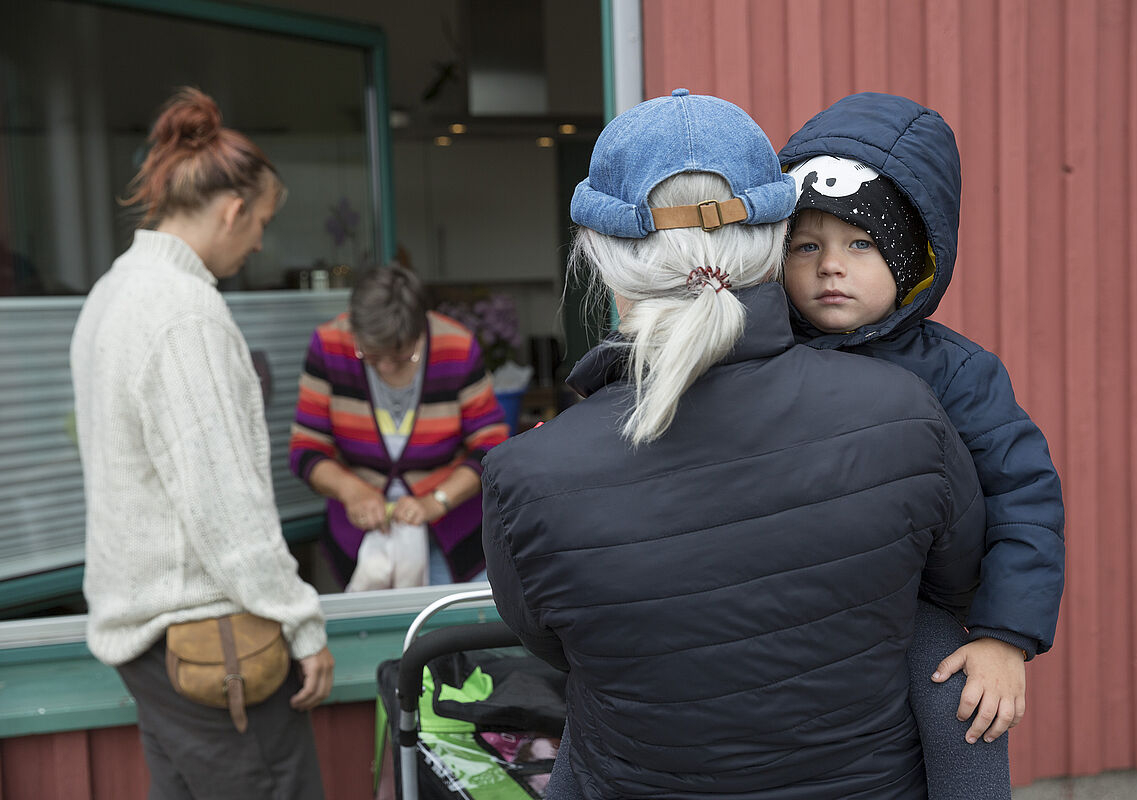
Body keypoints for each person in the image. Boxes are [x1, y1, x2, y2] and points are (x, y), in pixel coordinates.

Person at [482, 88, 988, 800]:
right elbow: (957, 584)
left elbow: (555, 643)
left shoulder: (524, 475)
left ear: (602, 259)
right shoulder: (905, 411)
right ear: (778, 238)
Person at [778, 91, 1066, 797]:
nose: (830, 267)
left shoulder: (956, 371)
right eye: (806, 245)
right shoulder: (762, 355)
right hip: (786, 602)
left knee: (960, 708)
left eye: (861, 244)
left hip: (914, 605)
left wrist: (1004, 636)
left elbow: (1024, 496)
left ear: (913, 260)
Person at [70, 87, 333, 799]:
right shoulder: (184, 314)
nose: (257, 247)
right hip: (212, 639)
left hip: (156, 646)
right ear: (232, 209)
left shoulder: (112, 292)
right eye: (262, 224)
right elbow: (225, 505)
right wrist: (304, 624)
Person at [289, 264, 508, 586]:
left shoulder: (457, 347)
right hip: (357, 536)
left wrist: (437, 501)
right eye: (372, 356)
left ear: (421, 330)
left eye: (402, 356)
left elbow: (491, 445)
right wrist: (352, 491)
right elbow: (306, 449)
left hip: (452, 531)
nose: (387, 368)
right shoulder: (329, 345)